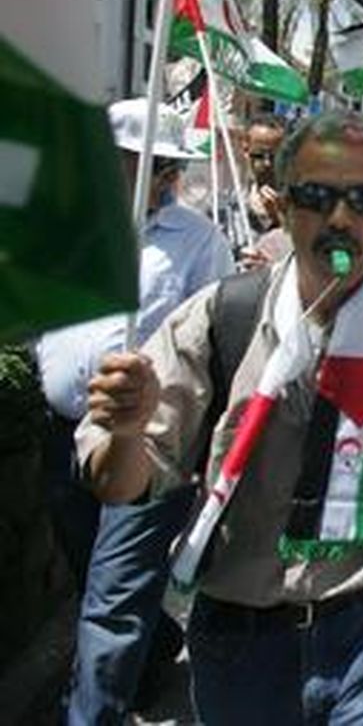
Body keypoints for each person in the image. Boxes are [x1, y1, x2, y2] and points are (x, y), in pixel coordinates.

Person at [78, 112, 363, 723]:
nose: (340, 218)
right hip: (241, 635)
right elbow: (123, 484)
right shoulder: (223, 318)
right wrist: (123, 430)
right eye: (317, 195)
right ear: (283, 204)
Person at [37, 99, 233, 722]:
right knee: (88, 567)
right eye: (138, 160)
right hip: (61, 433)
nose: (156, 174)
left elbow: (216, 346)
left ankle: (92, 714)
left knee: (110, 599)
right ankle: (151, 659)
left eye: (166, 164)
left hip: (147, 443)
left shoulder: (200, 242)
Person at [244, 111, 288, 234]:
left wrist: (277, 218)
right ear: (246, 151)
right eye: (258, 155)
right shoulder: (233, 196)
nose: (267, 163)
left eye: (275, 157)